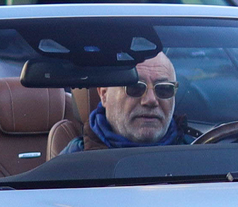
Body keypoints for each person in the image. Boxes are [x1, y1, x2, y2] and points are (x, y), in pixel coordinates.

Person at [63, 52, 194, 150]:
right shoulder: (73, 164)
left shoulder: (198, 151)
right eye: (135, 87)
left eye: (164, 89)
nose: (150, 100)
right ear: (104, 95)